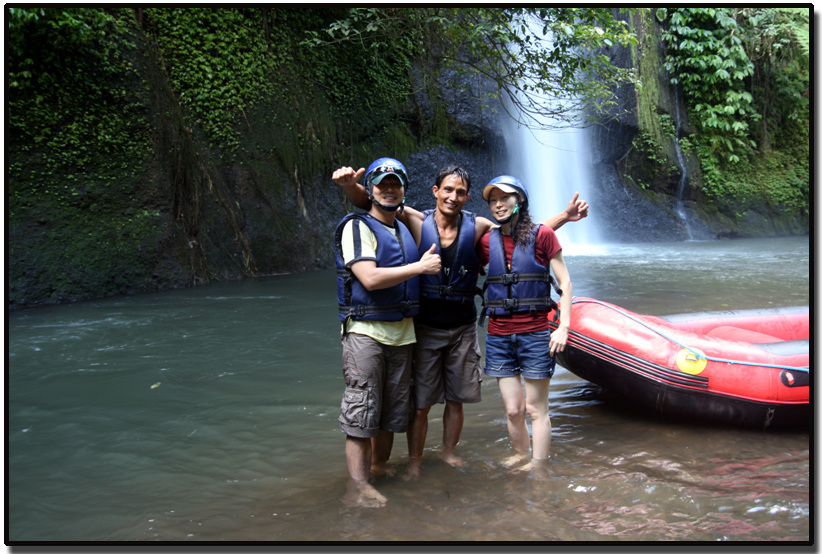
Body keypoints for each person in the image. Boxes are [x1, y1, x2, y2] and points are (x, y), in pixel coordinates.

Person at [334, 164, 587, 477]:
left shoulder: (478, 226)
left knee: (457, 399)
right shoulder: (415, 219)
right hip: (425, 326)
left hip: (464, 326)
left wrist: (564, 217)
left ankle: (448, 452)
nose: (453, 197)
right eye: (448, 190)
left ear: (467, 197)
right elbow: (377, 201)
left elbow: (522, 237)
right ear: (435, 191)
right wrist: (348, 187)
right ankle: (414, 461)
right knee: (422, 402)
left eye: (461, 192)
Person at [333, 157, 442, 507]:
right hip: (366, 332)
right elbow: (369, 278)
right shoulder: (357, 226)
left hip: (403, 333)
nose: (389, 189)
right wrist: (420, 267)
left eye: (395, 183)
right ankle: (359, 485)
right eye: (382, 183)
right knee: (362, 409)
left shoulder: (403, 226)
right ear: (373, 189)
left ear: (404, 190)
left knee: (391, 412)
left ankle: (378, 467)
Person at [477, 175, 573, 472]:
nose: (498, 204)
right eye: (493, 200)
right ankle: (521, 455)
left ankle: (539, 465)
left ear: (519, 200)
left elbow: (565, 283)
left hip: (534, 334)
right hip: (499, 335)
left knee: (535, 408)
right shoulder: (485, 241)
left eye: (504, 197)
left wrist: (563, 327)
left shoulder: (543, 235)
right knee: (513, 409)